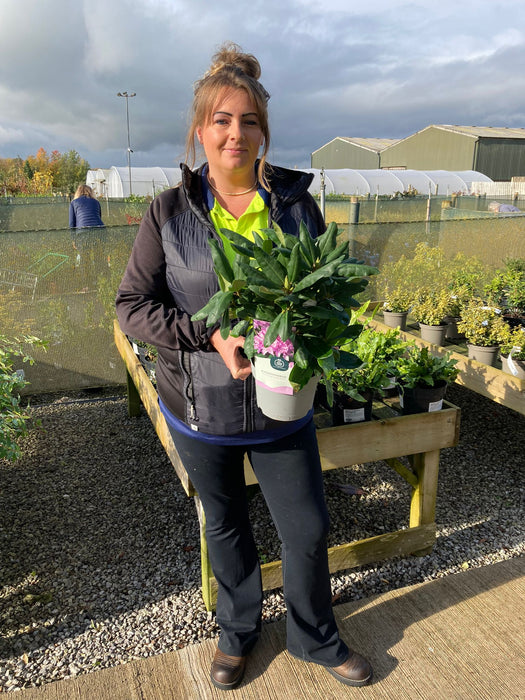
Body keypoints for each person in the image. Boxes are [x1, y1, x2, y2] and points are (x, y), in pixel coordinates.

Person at [115, 42, 372, 691]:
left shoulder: (292, 206)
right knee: (225, 524)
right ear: (200, 130)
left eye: (248, 120)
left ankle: (315, 637)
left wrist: (322, 336)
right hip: (200, 407)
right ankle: (237, 633)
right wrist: (208, 337)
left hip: (282, 406)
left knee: (307, 528)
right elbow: (132, 307)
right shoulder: (169, 213)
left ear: (263, 129)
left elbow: (320, 294)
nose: (235, 133)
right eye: (221, 120)